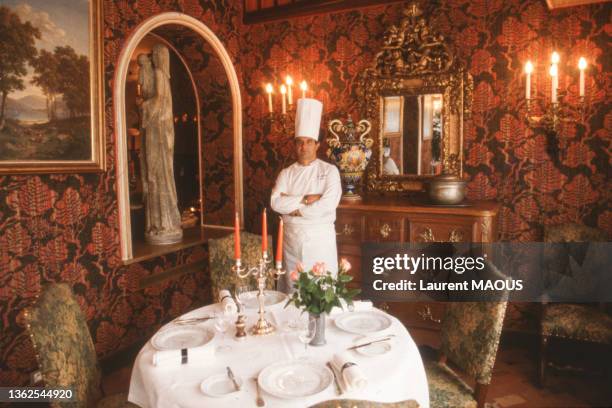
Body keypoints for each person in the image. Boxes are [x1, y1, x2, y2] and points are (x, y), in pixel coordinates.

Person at [271, 98, 342, 293]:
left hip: (320, 241)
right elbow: (275, 203)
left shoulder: (329, 171)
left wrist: (295, 210)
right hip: (291, 242)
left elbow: (328, 205)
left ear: (317, 144)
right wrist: (304, 200)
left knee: (321, 293)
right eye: (299, 142)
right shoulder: (286, 173)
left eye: (309, 142)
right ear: (295, 145)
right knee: (292, 294)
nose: (304, 147)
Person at [139, 44, 182, 245]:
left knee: (158, 172)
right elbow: (151, 94)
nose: (154, 57)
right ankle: (158, 223)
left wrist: (144, 106)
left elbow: (159, 100)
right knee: (155, 174)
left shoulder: (160, 74)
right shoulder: (154, 73)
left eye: (156, 54)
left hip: (158, 131)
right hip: (156, 130)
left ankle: (164, 222)